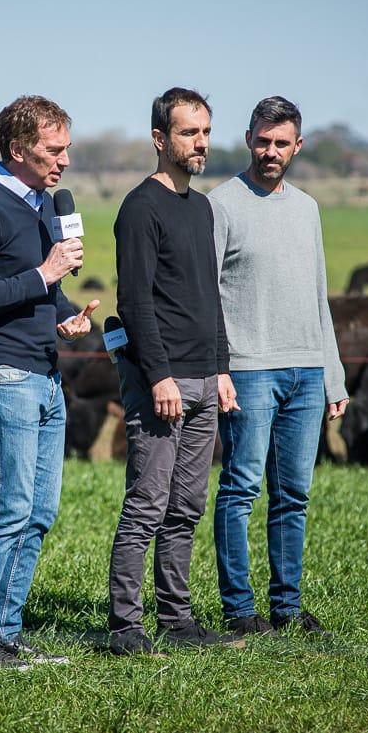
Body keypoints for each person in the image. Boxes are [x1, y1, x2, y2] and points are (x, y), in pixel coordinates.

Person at [0, 96, 99, 670]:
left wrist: (64, 312)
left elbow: (39, 286)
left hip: (45, 371)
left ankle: (3, 633)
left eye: (67, 148)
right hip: (4, 372)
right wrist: (46, 273)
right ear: (17, 150)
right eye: (53, 149)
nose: (65, 160)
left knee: (39, 511)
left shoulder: (44, 207)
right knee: (8, 505)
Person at [107, 88, 242, 656]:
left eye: (206, 131)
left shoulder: (203, 207)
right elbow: (135, 302)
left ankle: (177, 620)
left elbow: (208, 297)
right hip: (161, 383)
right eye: (190, 132)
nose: (201, 142)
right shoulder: (141, 207)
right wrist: (159, 376)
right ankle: (125, 627)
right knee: (147, 504)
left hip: (204, 380)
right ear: (160, 139)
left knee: (187, 506)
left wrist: (221, 369)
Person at [208, 96, 348, 637]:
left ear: (297, 146)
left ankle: (287, 608)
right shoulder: (220, 204)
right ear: (248, 139)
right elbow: (208, 298)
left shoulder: (308, 208)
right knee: (241, 490)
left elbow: (319, 297)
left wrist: (332, 374)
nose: (271, 151)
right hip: (248, 370)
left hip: (307, 372)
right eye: (262, 141)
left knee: (293, 494)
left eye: (281, 143)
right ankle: (239, 611)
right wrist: (220, 368)